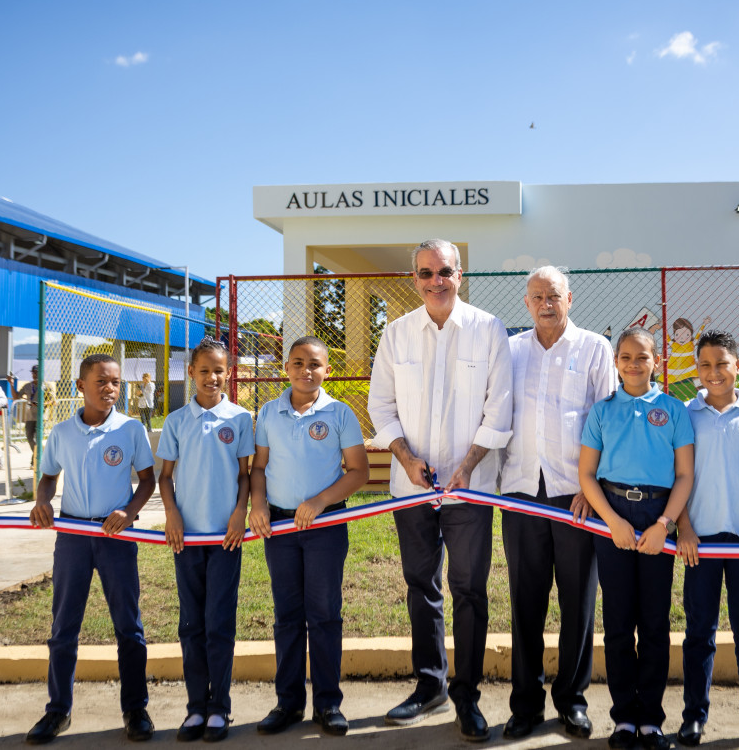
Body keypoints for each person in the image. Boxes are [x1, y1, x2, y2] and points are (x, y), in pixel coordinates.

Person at [368, 238, 513, 742]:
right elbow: (380, 406)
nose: (436, 281)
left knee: (469, 590)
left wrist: (468, 466)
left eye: (445, 271)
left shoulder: (489, 329)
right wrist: (407, 459)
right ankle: (430, 686)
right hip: (410, 490)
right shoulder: (395, 334)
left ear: (459, 274)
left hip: (470, 491)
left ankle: (467, 696)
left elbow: (499, 407)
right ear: (415, 279)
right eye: (426, 273)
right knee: (421, 586)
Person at [499, 266, 616, 741]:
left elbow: (608, 418)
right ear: (526, 303)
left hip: (576, 497)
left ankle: (572, 701)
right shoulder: (509, 351)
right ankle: (525, 705)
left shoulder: (594, 348)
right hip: (521, 492)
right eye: (537, 297)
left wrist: (595, 489)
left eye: (554, 296)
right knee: (525, 602)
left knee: (578, 602)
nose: (546, 304)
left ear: (570, 299)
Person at [25, 354, 157, 745]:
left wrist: (129, 512)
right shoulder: (62, 432)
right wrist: (42, 501)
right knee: (64, 627)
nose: (110, 389)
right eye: (101, 381)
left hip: (115, 538)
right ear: (81, 386)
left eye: (115, 382)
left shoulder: (130, 429)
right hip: (73, 537)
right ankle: (57, 710)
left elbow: (147, 481)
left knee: (129, 627)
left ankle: (135, 709)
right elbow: (48, 478)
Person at [578, 327, 695, 750]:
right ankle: (624, 718)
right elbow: (586, 474)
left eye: (642, 357)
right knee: (618, 623)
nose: (633, 364)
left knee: (654, 623)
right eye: (625, 357)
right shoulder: (602, 412)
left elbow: (684, 475)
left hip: (657, 516)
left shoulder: (673, 410)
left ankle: (651, 720)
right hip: (614, 516)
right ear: (615, 363)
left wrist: (665, 523)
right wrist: (612, 521)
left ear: (656, 361)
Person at [249, 336, 370, 737]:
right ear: (286, 368)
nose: (306, 371)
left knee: (323, 615)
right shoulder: (269, 412)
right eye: (298, 363)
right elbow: (259, 468)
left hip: (325, 528)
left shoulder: (339, 413)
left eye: (314, 364)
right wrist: (259, 504)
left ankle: (327, 703)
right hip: (280, 529)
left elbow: (359, 472)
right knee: (287, 616)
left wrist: (319, 502)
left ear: (327, 371)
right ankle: (288, 703)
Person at [677, 330, 739, 750]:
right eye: (705, 365)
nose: (713, 372)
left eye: (722, 363)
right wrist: (683, 527)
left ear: (738, 365)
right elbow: (677, 476)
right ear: (697, 369)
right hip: (699, 542)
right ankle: (694, 717)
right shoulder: (686, 414)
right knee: (700, 631)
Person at [156, 339, 253, 743]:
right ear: (191, 373)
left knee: (219, 622)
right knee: (191, 624)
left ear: (228, 373)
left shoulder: (241, 418)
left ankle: (219, 708)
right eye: (204, 371)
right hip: (187, 541)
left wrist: (240, 511)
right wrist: (172, 513)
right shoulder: (177, 421)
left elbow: (245, 475)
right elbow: (165, 477)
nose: (211, 377)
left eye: (218, 370)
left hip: (227, 539)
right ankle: (196, 707)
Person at [17, 366, 56, 464]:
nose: (35, 375)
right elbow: (16, 397)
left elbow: (53, 401)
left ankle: (35, 461)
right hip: (30, 416)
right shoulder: (28, 386)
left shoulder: (47, 386)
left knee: (38, 438)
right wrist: (11, 383)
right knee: (30, 437)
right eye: (33, 373)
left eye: (37, 372)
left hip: (41, 417)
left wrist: (41, 404)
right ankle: (38, 455)